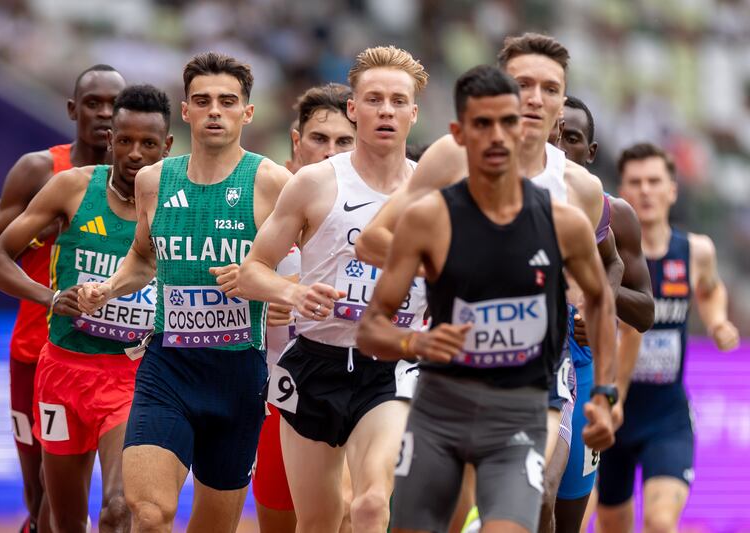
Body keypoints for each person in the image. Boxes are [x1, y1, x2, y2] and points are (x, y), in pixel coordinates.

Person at [354, 33, 623, 532]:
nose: (536, 97)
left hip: (536, 382)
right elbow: (373, 240)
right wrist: (443, 266)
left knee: (537, 496)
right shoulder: (449, 160)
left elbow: (602, 288)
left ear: (563, 103)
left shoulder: (580, 192)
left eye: (551, 88)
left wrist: (605, 390)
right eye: (524, 84)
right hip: (446, 375)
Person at [77, 53, 289, 532]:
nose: (215, 110)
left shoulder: (273, 182)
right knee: (150, 514)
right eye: (203, 101)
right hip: (168, 368)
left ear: (247, 113)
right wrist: (108, 288)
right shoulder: (153, 181)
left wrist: (273, 288)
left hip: (239, 375)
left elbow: (307, 268)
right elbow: (143, 257)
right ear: (187, 110)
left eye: (227, 101)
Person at [237, 46, 428, 533]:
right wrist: (293, 294)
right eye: (374, 99)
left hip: (394, 367)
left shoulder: (435, 191)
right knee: (319, 521)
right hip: (316, 361)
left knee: (368, 504)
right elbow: (253, 269)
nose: (386, 110)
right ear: (353, 108)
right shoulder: (316, 184)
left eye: (397, 101)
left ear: (413, 112)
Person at [0, 85, 172, 533]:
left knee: (120, 507)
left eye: (148, 144)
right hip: (63, 372)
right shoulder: (71, 187)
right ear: (110, 141)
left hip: (132, 376)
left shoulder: (176, 205)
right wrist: (50, 297)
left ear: (167, 147)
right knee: (62, 519)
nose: (135, 154)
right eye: (125, 140)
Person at [0, 64, 125, 533]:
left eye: (114, 104)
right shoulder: (40, 170)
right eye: (93, 103)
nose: (105, 114)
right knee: (39, 492)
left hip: (111, 356)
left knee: (114, 497)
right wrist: (42, 237)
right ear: (73, 110)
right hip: (36, 354)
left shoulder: (144, 183)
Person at [597, 143, 739, 533]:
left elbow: (710, 289)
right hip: (610, 410)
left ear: (673, 190)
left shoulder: (695, 250)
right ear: (620, 191)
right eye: (635, 182)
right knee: (611, 525)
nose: (645, 191)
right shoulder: (605, 256)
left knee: (660, 522)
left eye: (655, 181)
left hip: (666, 417)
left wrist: (717, 322)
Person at [253, 82, 356, 533]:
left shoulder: (376, 206)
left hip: (354, 384)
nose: (330, 152)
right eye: (319, 138)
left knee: (350, 510)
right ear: (297, 140)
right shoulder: (262, 196)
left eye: (344, 142)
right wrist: (271, 297)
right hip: (279, 391)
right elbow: (230, 280)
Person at [551, 96, 655, 533]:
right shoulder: (510, 199)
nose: (561, 146)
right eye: (556, 136)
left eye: (573, 139)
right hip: (532, 360)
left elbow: (646, 310)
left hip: (585, 361)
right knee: (534, 499)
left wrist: (600, 303)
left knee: (567, 512)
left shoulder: (615, 214)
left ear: (590, 152)